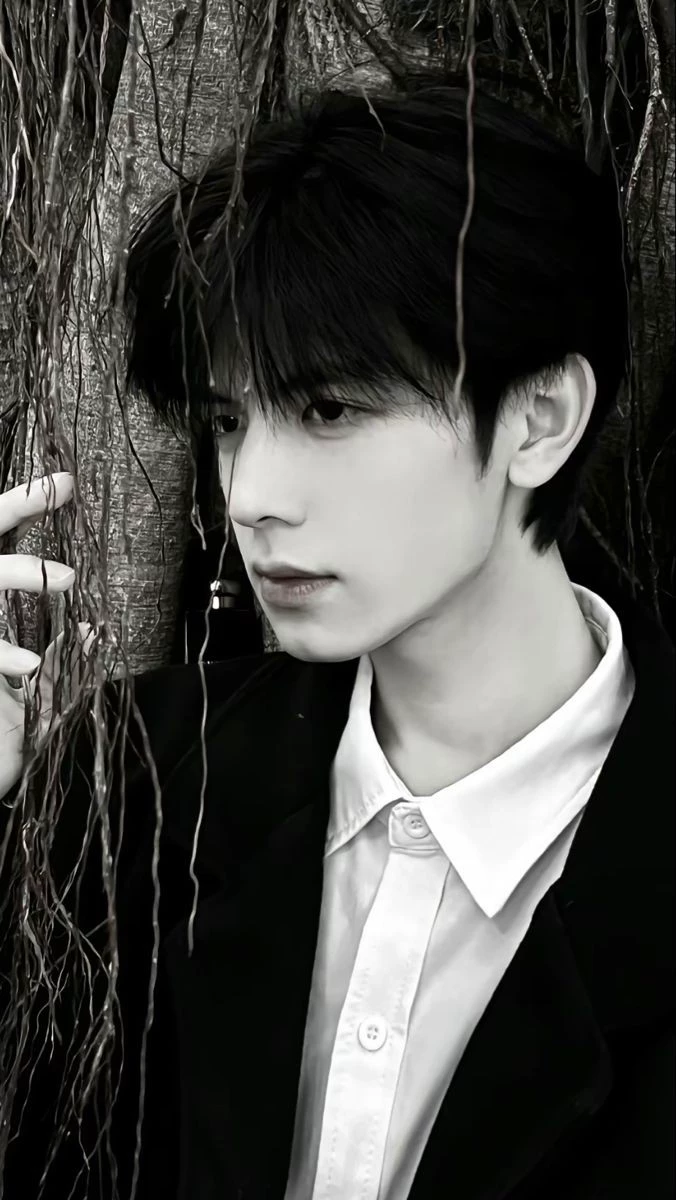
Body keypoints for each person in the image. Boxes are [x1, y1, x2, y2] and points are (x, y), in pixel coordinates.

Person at [0, 73, 673, 1200]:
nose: (250, 495)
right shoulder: (141, 776)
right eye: (227, 421)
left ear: (539, 417)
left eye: (329, 409)